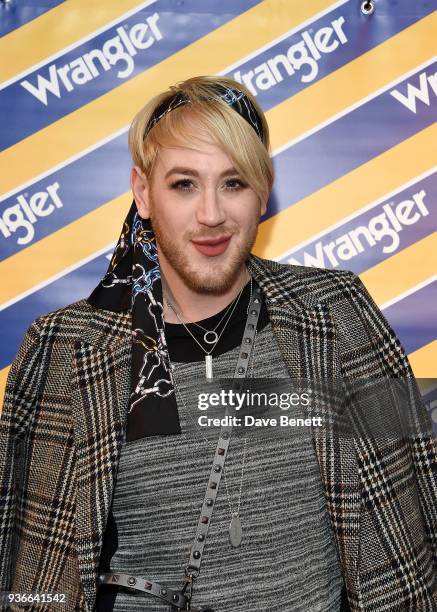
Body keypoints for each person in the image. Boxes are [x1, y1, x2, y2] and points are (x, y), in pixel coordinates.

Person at [1, 75, 436, 612]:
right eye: (184, 184)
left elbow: (414, 506)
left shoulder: (337, 315)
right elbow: (30, 571)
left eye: (233, 183)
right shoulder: (68, 351)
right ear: (142, 192)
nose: (211, 214)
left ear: (263, 190)